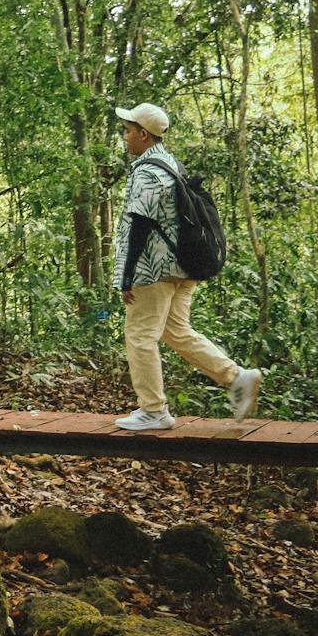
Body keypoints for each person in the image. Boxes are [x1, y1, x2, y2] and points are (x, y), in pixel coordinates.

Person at [112, 102, 262, 430]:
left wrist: (127, 275)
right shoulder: (171, 164)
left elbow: (139, 222)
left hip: (153, 269)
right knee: (176, 331)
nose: (125, 137)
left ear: (143, 134)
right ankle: (237, 377)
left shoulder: (148, 170)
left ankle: (153, 410)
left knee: (139, 334)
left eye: (128, 131)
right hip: (181, 268)